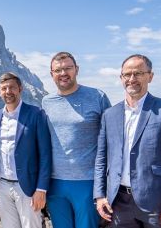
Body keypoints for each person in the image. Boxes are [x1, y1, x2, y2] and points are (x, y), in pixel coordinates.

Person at [94, 54, 161, 228]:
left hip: (157, 203)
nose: (132, 79)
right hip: (118, 202)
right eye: (127, 74)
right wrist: (100, 195)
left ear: (150, 76)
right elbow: (101, 159)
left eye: (138, 73)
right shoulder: (109, 115)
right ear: (121, 78)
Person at [41, 52, 111, 228]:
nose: (63, 73)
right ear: (52, 74)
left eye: (67, 68)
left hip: (88, 182)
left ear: (76, 69)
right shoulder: (46, 102)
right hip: (55, 183)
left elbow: (112, 138)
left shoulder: (97, 97)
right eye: (58, 70)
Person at [0, 72, 52, 228]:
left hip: (27, 187)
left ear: (20, 88)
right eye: (4, 88)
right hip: (3, 185)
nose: (8, 92)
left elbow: (45, 154)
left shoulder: (36, 114)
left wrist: (41, 189)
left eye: (12, 87)